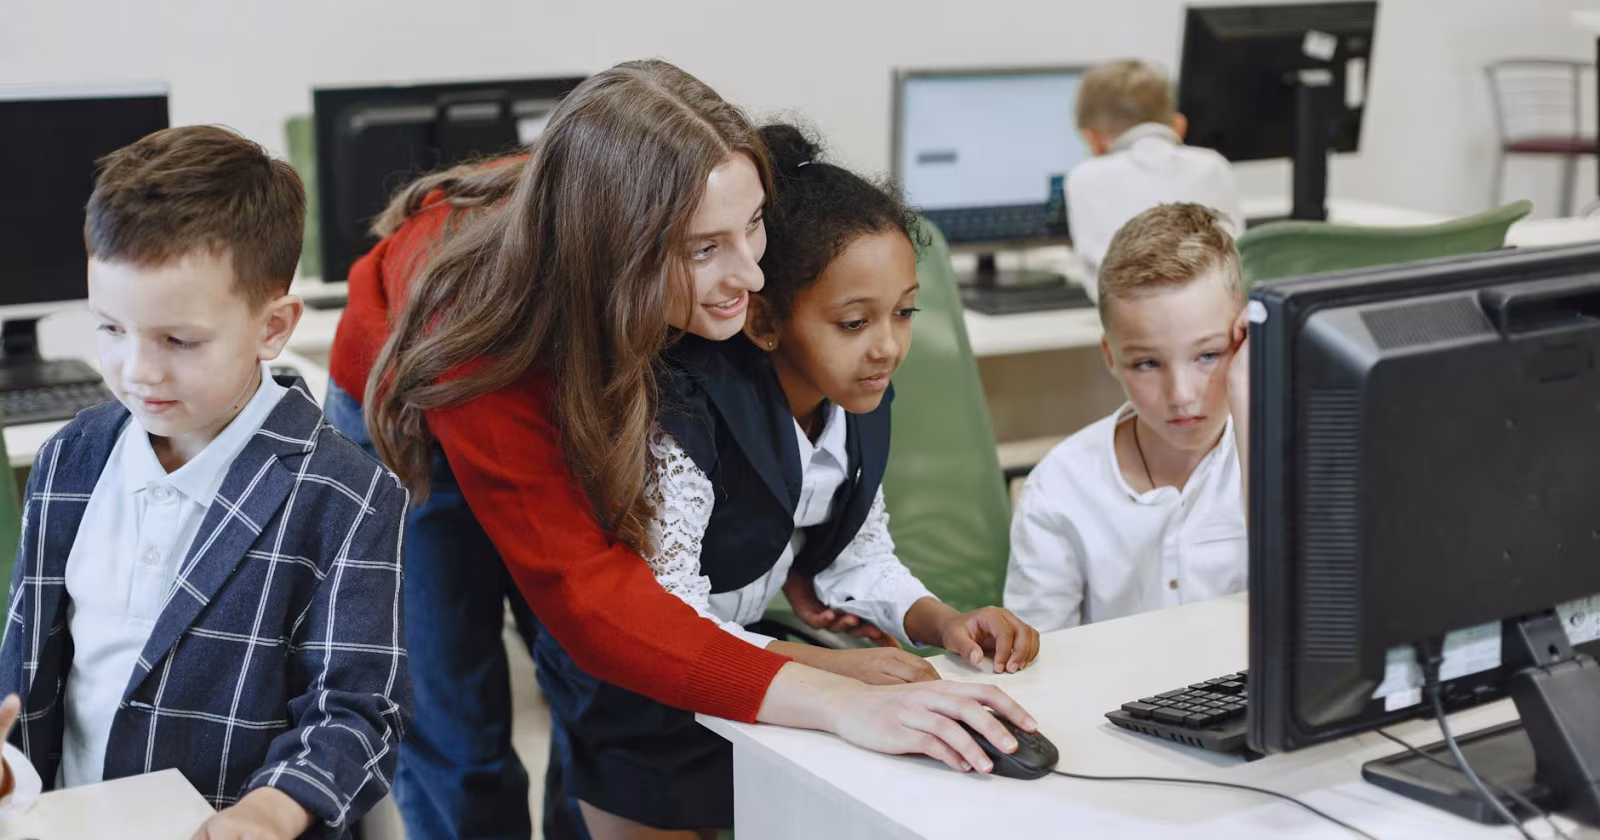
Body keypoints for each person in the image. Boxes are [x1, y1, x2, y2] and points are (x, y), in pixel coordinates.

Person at [330, 60, 1037, 840]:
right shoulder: (485, 349)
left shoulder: (668, 257)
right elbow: (596, 605)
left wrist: (803, 546)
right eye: (705, 249)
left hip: (584, 348)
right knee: (456, 720)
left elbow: (760, 461)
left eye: (755, 224)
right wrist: (839, 698)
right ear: (619, 250)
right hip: (414, 410)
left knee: (595, 700)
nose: (751, 276)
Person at [536, 123, 1042, 838]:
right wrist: (832, 675)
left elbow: (858, 556)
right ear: (767, 322)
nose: (889, 347)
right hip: (640, 695)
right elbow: (669, 623)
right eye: (853, 321)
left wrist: (943, 622)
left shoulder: (855, 402)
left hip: (748, 661)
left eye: (904, 313)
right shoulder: (686, 418)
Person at [0, 125, 409, 840]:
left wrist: (268, 810)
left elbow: (355, 711)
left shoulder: (345, 495)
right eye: (109, 329)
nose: (138, 371)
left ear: (272, 327)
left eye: (177, 341)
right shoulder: (69, 460)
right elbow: (28, 660)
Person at [1005, 203, 1248, 631]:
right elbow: (1034, 662)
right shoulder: (1060, 489)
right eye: (1147, 364)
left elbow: (1324, 617)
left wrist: (1251, 398)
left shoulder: (1288, 458)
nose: (1182, 395)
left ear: (1245, 340)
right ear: (1111, 358)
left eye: (1209, 355)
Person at [1066, 59, 1244, 277]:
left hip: (1128, 310)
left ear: (1092, 139)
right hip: (1220, 308)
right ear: (1179, 126)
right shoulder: (1214, 166)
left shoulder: (1085, 177)